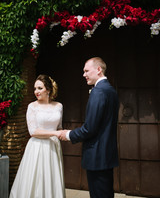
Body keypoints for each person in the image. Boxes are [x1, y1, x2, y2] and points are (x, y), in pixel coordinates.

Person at [58, 57, 119, 198]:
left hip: (97, 155)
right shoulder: (110, 90)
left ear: (98, 70)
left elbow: (90, 128)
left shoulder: (98, 91)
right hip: (106, 155)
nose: (84, 75)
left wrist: (68, 134)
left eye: (86, 71)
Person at [9, 74, 66, 198]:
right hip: (37, 147)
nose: (36, 91)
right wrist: (54, 133)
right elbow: (33, 132)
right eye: (35, 88)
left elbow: (59, 127)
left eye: (40, 88)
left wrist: (63, 133)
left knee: (51, 179)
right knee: (36, 180)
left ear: (48, 90)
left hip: (53, 148)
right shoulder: (32, 107)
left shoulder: (59, 106)